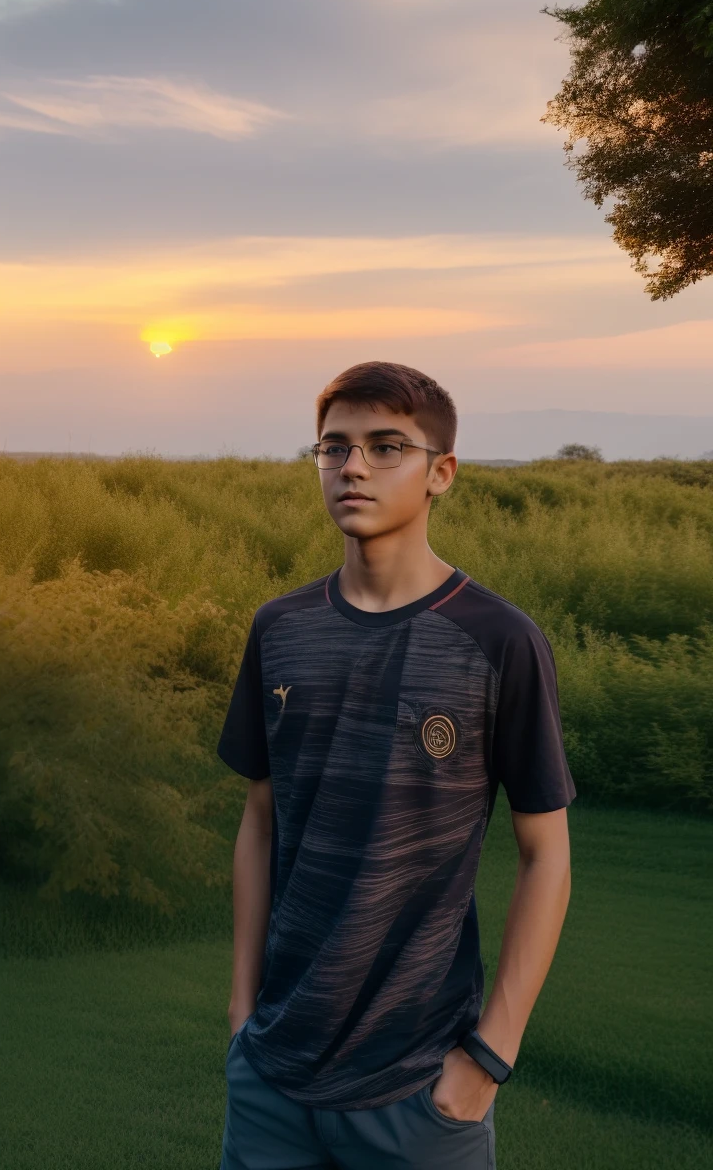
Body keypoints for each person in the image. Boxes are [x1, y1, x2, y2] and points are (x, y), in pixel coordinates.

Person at [217, 362, 573, 1170]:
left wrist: (488, 1059)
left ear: (440, 472)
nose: (352, 468)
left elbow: (545, 855)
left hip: (418, 1090)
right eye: (333, 448)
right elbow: (258, 823)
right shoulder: (280, 628)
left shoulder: (500, 641)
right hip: (271, 1079)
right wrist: (242, 1017)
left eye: (386, 448)